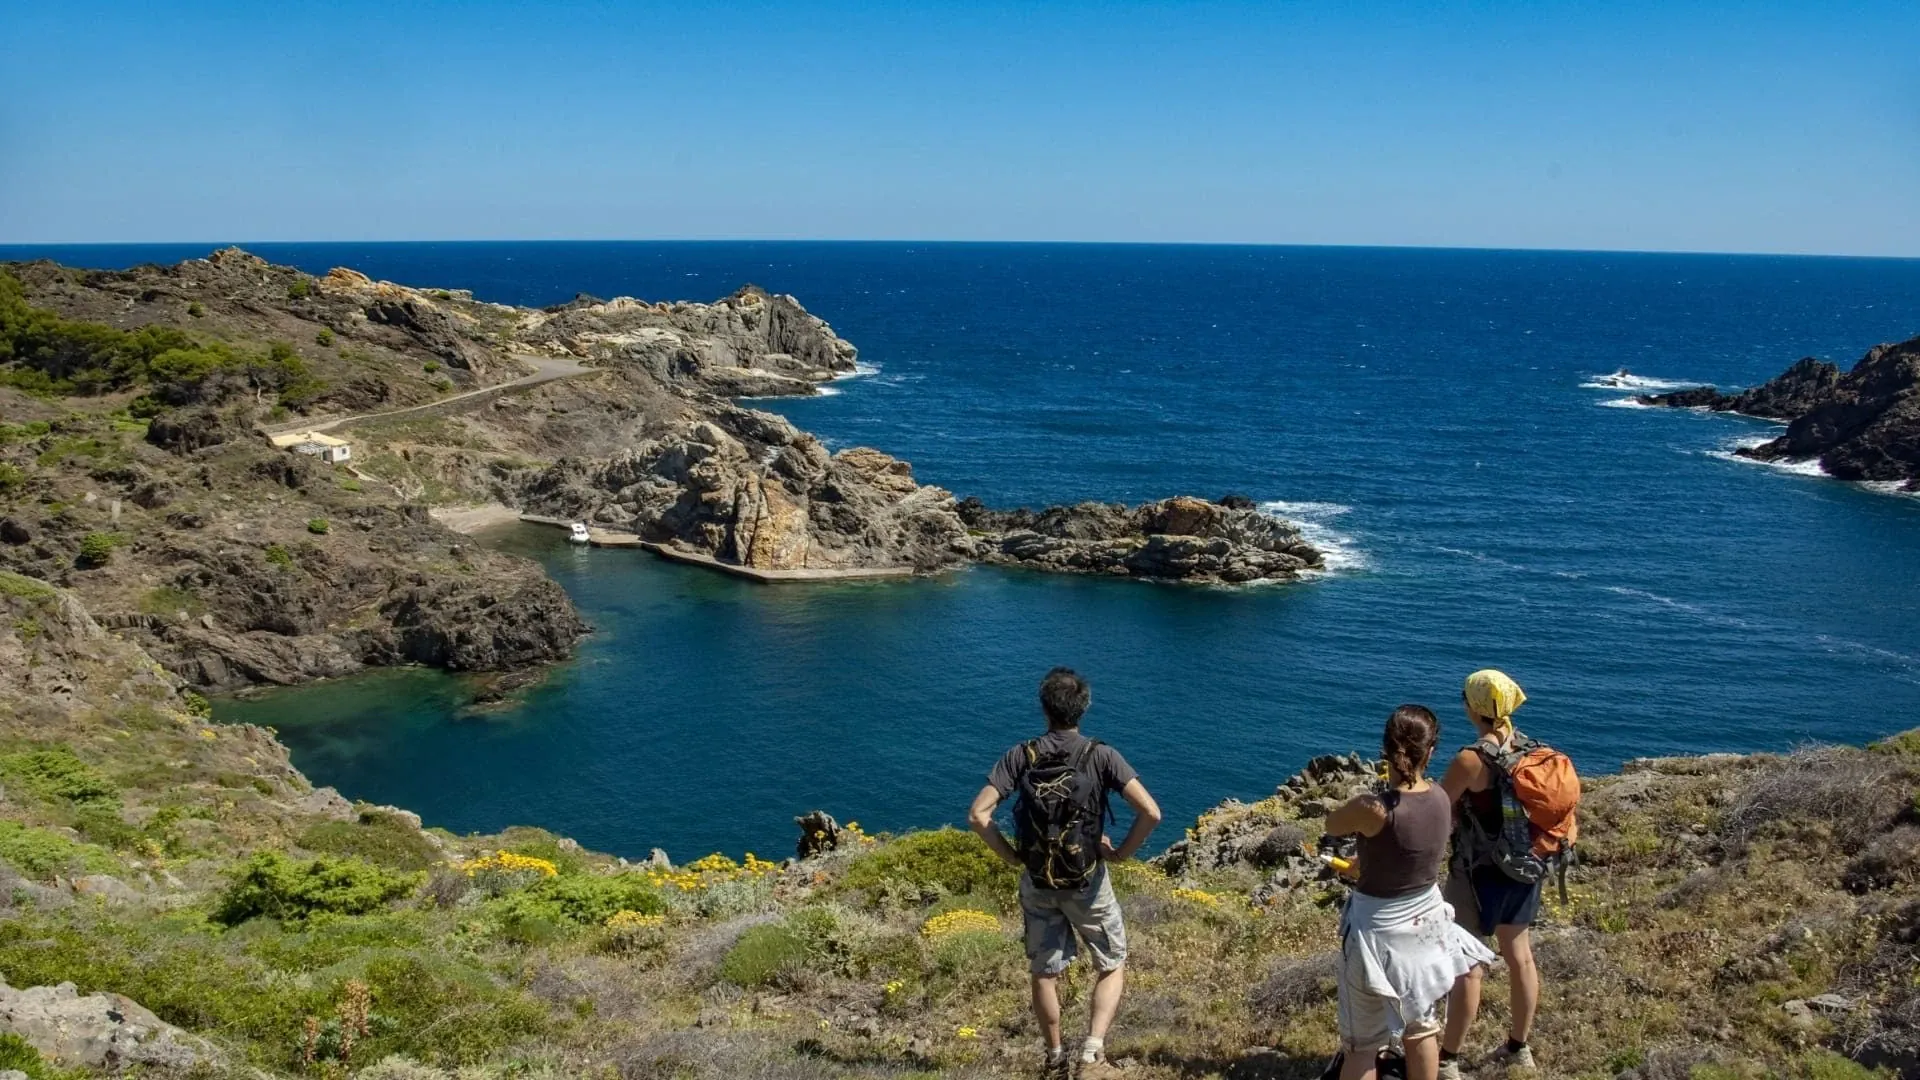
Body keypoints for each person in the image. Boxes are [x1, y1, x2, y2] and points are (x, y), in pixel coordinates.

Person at [968, 667, 1163, 1080]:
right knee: (1112, 962)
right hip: (1087, 881)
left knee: (1044, 972)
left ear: (1044, 709)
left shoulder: (1020, 755)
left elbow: (978, 815)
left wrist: (1011, 856)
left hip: (1038, 879)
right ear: (1084, 708)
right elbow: (1151, 812)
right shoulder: (1101, 755)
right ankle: (1092, 1053)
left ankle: (1054, 1057)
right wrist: (1121, 854)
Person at [1325, 705, 1496, 1080]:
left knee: (1362, 1048)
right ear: (1430, 752)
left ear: (1385, 751)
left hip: (1374, 937)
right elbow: (1410, 851)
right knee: (1421, 1029)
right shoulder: (1441, 798)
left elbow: (1332, 824)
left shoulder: (1372, 808)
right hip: (1425, 932)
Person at [1438, 669, 1542, 1075]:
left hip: (1476, 873)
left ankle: (1448, 1060)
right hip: (1524, 867)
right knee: (1521, 958)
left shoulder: (1470, 760)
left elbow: (1439, 808)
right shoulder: (1531, 750)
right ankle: (1519, 1048)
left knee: (1468, 968)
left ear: (1475, 708)